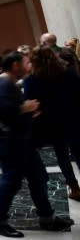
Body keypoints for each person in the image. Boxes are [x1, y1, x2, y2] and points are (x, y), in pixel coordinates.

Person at [0, 52, 73, 237]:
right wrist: (24, 108)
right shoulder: (3, 83)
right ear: (15, 65)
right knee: (12, 180)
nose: (29, 65)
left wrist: (27, 112)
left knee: (38, 177)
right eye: (25, 62)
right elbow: (1, 109)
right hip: (8, 141)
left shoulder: (8, 82)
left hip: (19, 140)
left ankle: (47, 217)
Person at [22, 47, 80, 200]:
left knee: (62, 157)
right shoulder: (69, 74)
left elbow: (31, 103)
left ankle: (74, 187)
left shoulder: (31, 80)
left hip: (51, 124)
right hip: (73, 118)